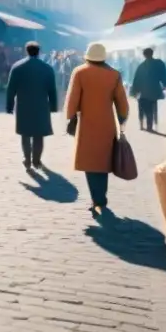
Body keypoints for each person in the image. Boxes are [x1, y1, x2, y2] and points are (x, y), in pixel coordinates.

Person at [66, 42, 130, 217]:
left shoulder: (79, 72)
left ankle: (96, 199)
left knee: (89, 163)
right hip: (107, 124)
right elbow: (123, 104)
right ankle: (101, 198)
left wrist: (71, 116)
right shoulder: (114, 75)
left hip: (86, 124)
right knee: (103, 162)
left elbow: (72, 100)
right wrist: (122, 120)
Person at [6, 42, 58, 169]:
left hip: (24, 105)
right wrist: (53, 106)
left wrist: (9, 106)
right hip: (41, 105)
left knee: (25, 134)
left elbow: (11, 88)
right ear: (39, 52)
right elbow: (52, 89)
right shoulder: (47, 68)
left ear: (26, 51)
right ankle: (36, 160)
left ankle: (27, 159)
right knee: (38, 135)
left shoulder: (17, 67)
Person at [130, 47, 166, 132]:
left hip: (144, 91)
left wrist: (135, 91)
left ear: (144, 55)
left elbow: (136, 79)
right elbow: (163, 74)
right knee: (152, 107)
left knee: (143, 107)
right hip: (154, 90)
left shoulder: (141, 66)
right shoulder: (158, 63)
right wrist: (164, 84)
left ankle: (142, 124)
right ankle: (151, 125)